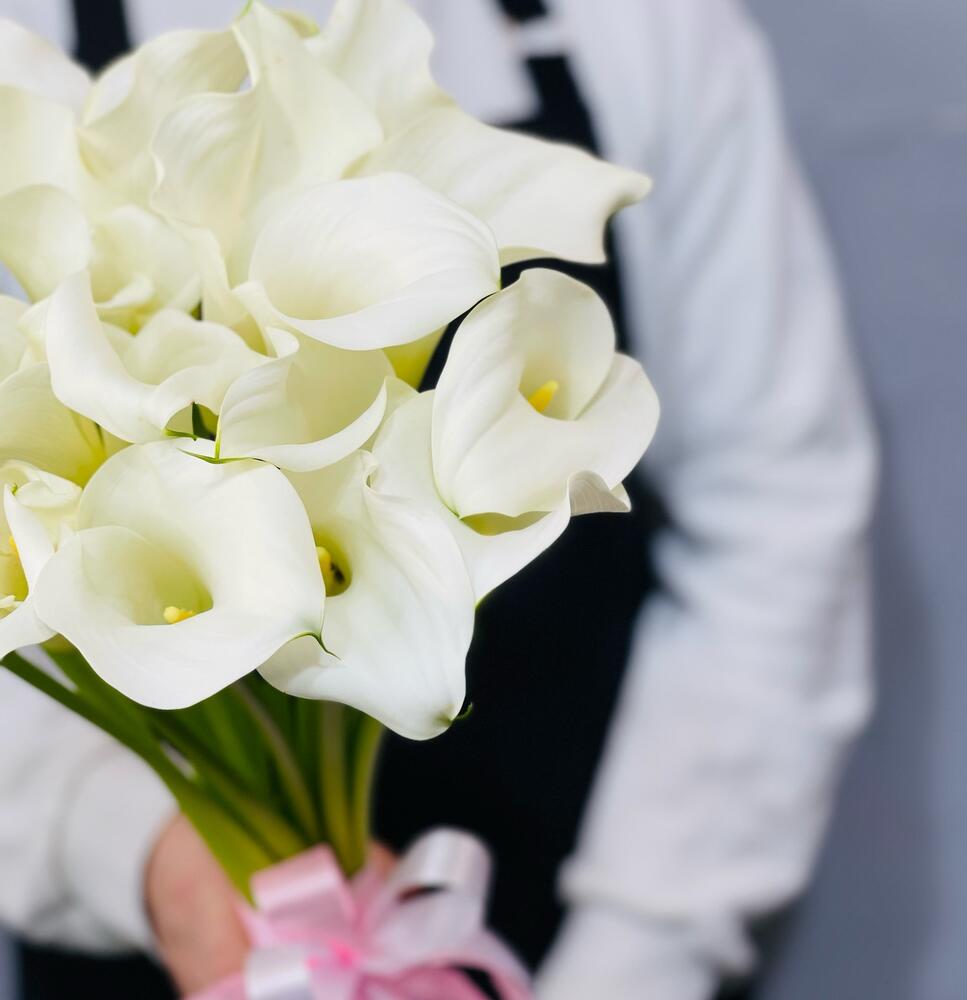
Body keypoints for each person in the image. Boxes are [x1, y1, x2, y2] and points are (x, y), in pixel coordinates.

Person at [0, 1, 878, 998]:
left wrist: (634, 961)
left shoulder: (639, 28)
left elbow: (783, 515)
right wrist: (146, 856)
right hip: (167, 952)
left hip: (572, 933)